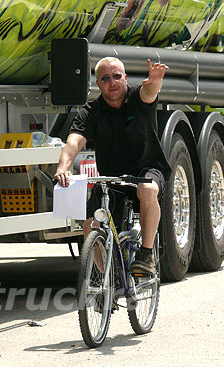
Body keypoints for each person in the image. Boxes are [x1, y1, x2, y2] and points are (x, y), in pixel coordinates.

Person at [54, 56, 171, 274]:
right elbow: (74, 142)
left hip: (147, 170)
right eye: (105, 79)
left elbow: (150, 93)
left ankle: (146, 255)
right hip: (113, 179)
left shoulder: (137, 97)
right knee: (90, 225)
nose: (112, 83)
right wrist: (63, 168)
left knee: (146, 190)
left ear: (125, 78)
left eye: (117, 76)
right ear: (98, 84)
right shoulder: (90, 112)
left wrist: (155, 81)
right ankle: (108, 279)